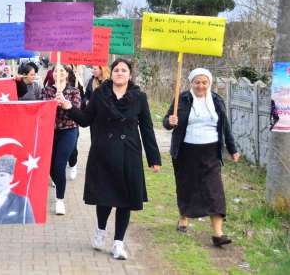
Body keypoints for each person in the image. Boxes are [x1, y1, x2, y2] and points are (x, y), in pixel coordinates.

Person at [56, 58, 161, 260]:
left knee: (125, 200)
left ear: (130, 75)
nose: (120, 73)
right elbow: (86, 120)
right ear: (111, 73)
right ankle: (101, 231)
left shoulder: (139, 97)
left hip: (128, 153)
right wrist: (69, 106)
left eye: (124, 70)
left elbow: (147, 129)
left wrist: (153, 158)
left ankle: (118, 243)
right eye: (116, 70)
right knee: (104, 198)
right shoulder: (99, 94)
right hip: (103, 152)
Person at [163, 68, 240, 247]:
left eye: (204, 82)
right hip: (186, 151)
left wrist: (232, 149)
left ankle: (218, 234)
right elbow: (167, 121)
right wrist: (169, 122)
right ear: (191, 83)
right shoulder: (181, 99)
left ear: (209, 83)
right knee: (186, 186)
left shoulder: (216, 100)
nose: (201, 86)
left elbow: (225, 127)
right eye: (197, 82)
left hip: (211, 152)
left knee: (215, 191)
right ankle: (184, 217)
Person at [42, 64, 81, 216]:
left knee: (59, 164)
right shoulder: (46, 90)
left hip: (69, 130)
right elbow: (42, 109)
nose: (59, 73)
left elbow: (76, 109)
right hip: (49, 131)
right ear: (52, 74)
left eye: (62, 71)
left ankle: (60, 200)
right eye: (56, 70)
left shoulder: (74, 90)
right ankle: (58, 181)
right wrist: (51, 103)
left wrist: (65, 102)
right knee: (50, 166)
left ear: (67, 74)